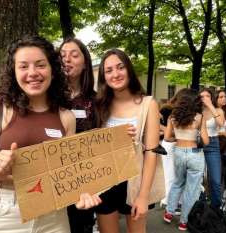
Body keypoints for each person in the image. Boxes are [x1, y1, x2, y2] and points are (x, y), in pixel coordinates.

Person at [0, 35, 101, 233]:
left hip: (54, 216)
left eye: (40, 65)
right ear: (14, 72)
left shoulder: (66, 117)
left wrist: (79, 193)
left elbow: (69, 171)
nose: (33, 73)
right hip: (2, 214)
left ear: (53, 70)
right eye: (23, 66)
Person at [94, 48, 159, 233]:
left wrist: (143, 196)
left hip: (136, 181)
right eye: (109, 70)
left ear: (129, 69)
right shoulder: (99, 106)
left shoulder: (148, 104)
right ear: (104, 76)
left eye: (120, 67)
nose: (115, 74)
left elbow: (152, 152)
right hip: (105, 181)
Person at [59, 37, 97, 233]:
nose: (67, 59)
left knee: (81, 225)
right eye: (63, 55)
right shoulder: (49, 97)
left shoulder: (96, 100)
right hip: (54, 175)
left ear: (85, 64)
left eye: (74, 55)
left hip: (83, 177)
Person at [163, 88, 209, 231]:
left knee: (178, 183)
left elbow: (166, 137)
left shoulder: (173, 116)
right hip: (195, 154)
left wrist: (178, 137)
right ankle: (184, 221)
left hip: (178, 152)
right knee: (192, 189)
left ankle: (169, 213)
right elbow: (206, 141)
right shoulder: (199, 117)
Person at [199, 88, 225, 208]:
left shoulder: (218, 110)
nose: (204, 98)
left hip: (213, 145)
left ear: (211, 97)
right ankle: (200, 206)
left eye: (207, 96)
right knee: (198, 179)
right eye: (202, 96)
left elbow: (220, 123)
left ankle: (216, 208)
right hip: (198, 144)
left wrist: (210, 106)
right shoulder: (198, 111)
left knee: (215, 179)